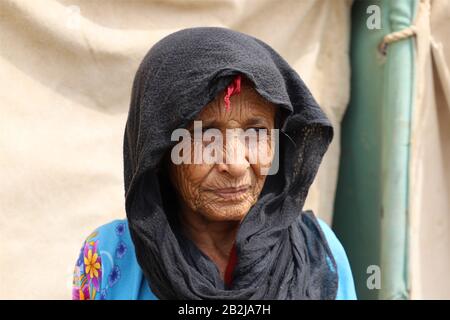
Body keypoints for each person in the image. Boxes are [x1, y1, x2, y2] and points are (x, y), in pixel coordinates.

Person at [72, 27, 356, 300]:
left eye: (256, 133)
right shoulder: (110, 255)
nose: (234, 164)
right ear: (158, 150)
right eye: (204, 135)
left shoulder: (319, 252)